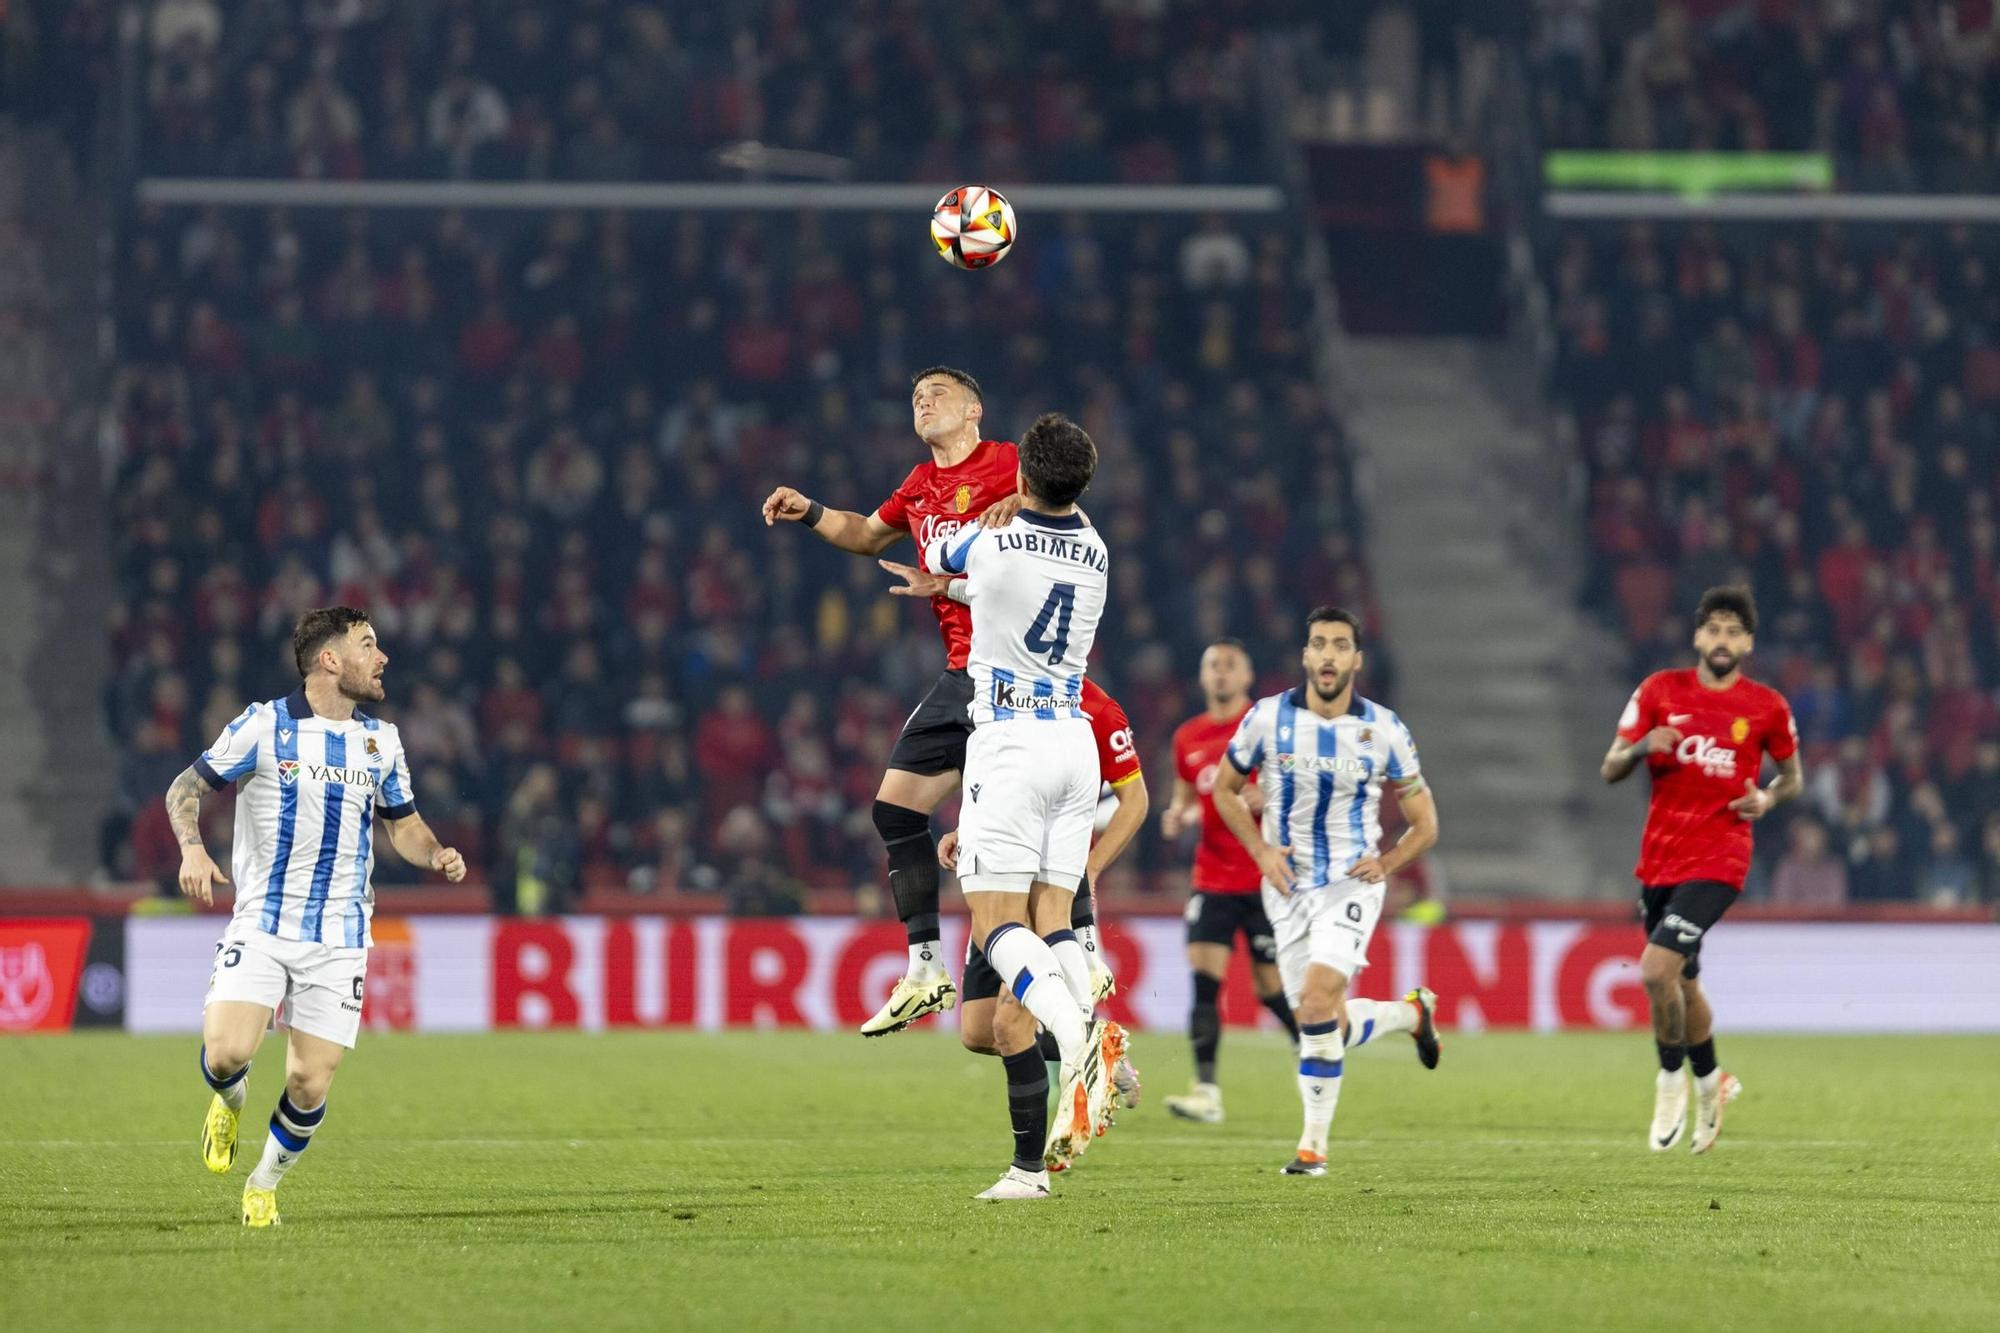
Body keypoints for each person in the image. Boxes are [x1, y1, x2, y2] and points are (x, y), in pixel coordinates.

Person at [169, 607, 467, 1226]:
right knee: (226, 1054)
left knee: (309, 1083)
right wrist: (193, 847)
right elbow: (184, 789)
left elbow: (403, 825)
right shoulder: (262, 726)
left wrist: (435, 852)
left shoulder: (380, 741)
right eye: (368, 644)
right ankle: (229, 1100)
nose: (382, 657)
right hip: (263, 922)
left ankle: (262, 1186)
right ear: (330, 660)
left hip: (340, 937)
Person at [761, 366, 1023, 1036]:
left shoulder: (1010, 462)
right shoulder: (918, 485)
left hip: (1020, 676)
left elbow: (1071, 502)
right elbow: (867, 533)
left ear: (974, 410)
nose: (923, 401)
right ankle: (926, 967)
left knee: (1015, 852)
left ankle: (1081, 986)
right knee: (894, 809)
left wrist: (1024, 501)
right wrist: (812, 510)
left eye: (938, 394)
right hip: (963, 674)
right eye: (914, 398)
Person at [918, 411, 1124, 1199]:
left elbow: (939, 548)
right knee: (1053, 921)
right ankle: (1078, 1045)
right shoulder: (1098, 549)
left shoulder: (996, 538)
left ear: (1021, 480)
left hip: (1009, 738)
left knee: (995, 920)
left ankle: (1078, 1037)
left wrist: (991, 511)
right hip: (1075, 743)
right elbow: (1002, 581)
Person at [1210, 607, 1442, 1178]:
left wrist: (1386, 863)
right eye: (1320, 644)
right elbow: (1224, 790)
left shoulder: (1384, 730)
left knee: (1314, 1005)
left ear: (1357, 659)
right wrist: (1261, 853)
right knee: (1324, 1024)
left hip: (1348, 885)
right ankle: (1409, 1015)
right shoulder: (1267, 719)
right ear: (1306, 656)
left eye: (1342, 645)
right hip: (1285, 888)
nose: (1330, 655)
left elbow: (1426, 822)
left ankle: (1312, 1150)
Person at [1601, 585, 1803, 1155]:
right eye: (1713, 629)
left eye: (1734, 631)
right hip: (1661, 859)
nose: (1722, 639)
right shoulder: (1659, 691)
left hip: (1720, 859)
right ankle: (1713, 1084)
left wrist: (1766, 799)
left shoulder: (1766, 707)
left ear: (1748, 643)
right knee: (1683, 980)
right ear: (1697, 637)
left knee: (1655, 971)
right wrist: (1641, 746)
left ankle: (1671, 1082)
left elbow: (1793, 778)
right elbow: (1610, 766)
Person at [936, 675, 1149, 1160]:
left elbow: (1135, 801)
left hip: (1049, 881)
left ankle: (1032, 1162)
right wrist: (965, 829)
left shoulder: (1096, 706)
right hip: (1000, 876)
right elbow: (1000, 787)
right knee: (979, 1031)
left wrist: (1090, 866)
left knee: (1014, 1019)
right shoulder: (1002, 694)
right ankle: (1095, 1049)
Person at [1160, 639, 1298, 1125]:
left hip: (1266, 878)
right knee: (1204, 986)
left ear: (1247, 676)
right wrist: (1176, 817)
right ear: (1202, 677)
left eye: (1229, 666)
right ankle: (1206, 1091)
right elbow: (1186, 798)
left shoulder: (1267, 730)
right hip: (1212, 879)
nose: (1220, 673)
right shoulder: (1188, 737)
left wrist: (1273, 797)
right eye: (1212, 666)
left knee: (1271, 990)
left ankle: (1318, 1053)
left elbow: (1301, 789)